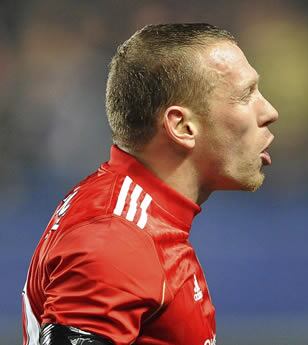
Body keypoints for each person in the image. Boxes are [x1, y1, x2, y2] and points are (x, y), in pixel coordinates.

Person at [22, 23, 278, 345]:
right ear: (182, 126)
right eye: (246, 95)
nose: (270, 111)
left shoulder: (136, 220)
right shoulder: (116, 238)